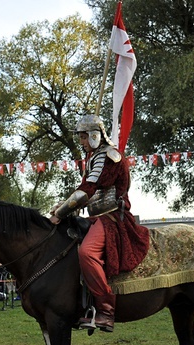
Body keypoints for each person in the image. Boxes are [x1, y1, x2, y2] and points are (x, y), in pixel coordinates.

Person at [49, 114, 150, 332]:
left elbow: (86, 192)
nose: (82, 142)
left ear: (95, 135)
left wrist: (61, 212)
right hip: (96, 218)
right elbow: (85, 190)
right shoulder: (94, 157)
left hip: (113, 218)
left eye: (84, 137)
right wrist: (61, 205)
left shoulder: (109, 156)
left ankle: (106, 310)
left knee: (87, 253)